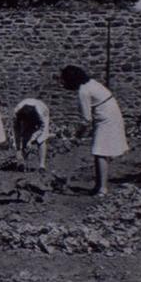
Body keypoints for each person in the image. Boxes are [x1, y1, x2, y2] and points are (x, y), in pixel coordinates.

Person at [59, 65, 129, 196]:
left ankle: (102, 189)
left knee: (100, 151)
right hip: (108, 114)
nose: (62, 83)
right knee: (99, 151)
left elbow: (86, 119)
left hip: (107, 118)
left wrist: (78, 135)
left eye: (64, 80)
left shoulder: (83, 91)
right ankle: (98, 186)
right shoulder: (90, 83)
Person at [13, 98, 51, 171]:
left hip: (42, 114)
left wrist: (31, 139)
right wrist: (17, 148)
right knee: (24, 136)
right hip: (26, 115)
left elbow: (41, 128)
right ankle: (22, 162)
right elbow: (16, 131)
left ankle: (42, 166)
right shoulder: (16, 112)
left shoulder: (41, 113)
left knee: (42, 139)